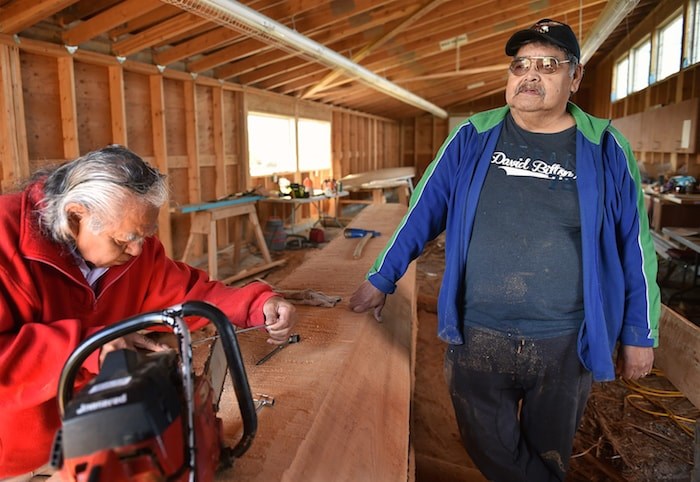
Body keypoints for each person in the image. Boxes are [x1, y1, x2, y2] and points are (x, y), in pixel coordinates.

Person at [350, 19, 659, 481]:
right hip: (479, 333)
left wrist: (639, 333)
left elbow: (635, 243)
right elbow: (422, 213)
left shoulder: (606, 146)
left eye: (548, 65)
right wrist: (381, 277)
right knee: (486, 447)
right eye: (521, 65)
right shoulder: (473, 136)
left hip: (564, 338)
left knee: (550, 451)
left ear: (575, 78)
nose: (530, 75)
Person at [0, 145, 297, 480]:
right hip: (15, 451)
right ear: (75, 217)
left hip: (99, 437)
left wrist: (258, 305)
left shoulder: (134, 250)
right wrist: (86, 348)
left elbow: (187, 293)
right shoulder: (5, 239)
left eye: (145, 236)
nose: (139, 250)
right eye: (126, 239)